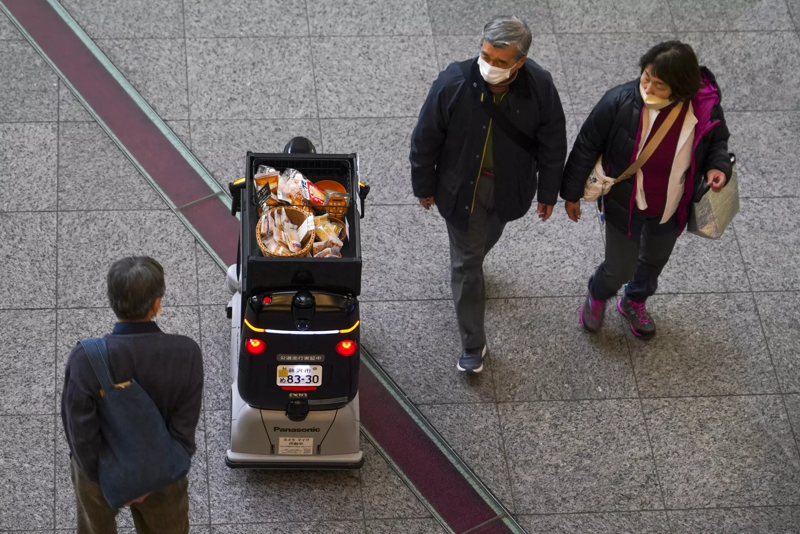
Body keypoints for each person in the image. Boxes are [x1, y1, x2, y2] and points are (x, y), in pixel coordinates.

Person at [410, 15, 567, 373]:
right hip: (460, 188)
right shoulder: (453, 82)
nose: (489, 66)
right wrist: (423, 184)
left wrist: (549, 191)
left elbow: (553, 142)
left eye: (500, 62)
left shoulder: (540, 86)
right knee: (467, 264)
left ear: (520, 62)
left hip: (509, 189)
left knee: (480, 248)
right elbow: (425, 139)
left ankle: (470, 271)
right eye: (485, 56)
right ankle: (473, 346)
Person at [561, 41, 732, 339]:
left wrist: (718, 167)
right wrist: (571, 193)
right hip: (624, 205)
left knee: (653, 263)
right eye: (645, 78)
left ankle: (634, 301)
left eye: (660, 85)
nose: (649, 89)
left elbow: (717, 141)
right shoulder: (619, 101)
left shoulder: (704, 107)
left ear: (681, 88)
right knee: (618, 268)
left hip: (670, 206)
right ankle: (598, 293)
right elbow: (586, 146)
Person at [61, 257, 204, 534]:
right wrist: (151, 476)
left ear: (112, 302)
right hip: (162, 472)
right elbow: (185, 426)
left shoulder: (85, 359)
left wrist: (111, 478)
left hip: (98, 476)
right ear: (157, 304)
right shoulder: (186, 353)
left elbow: (79, 432)